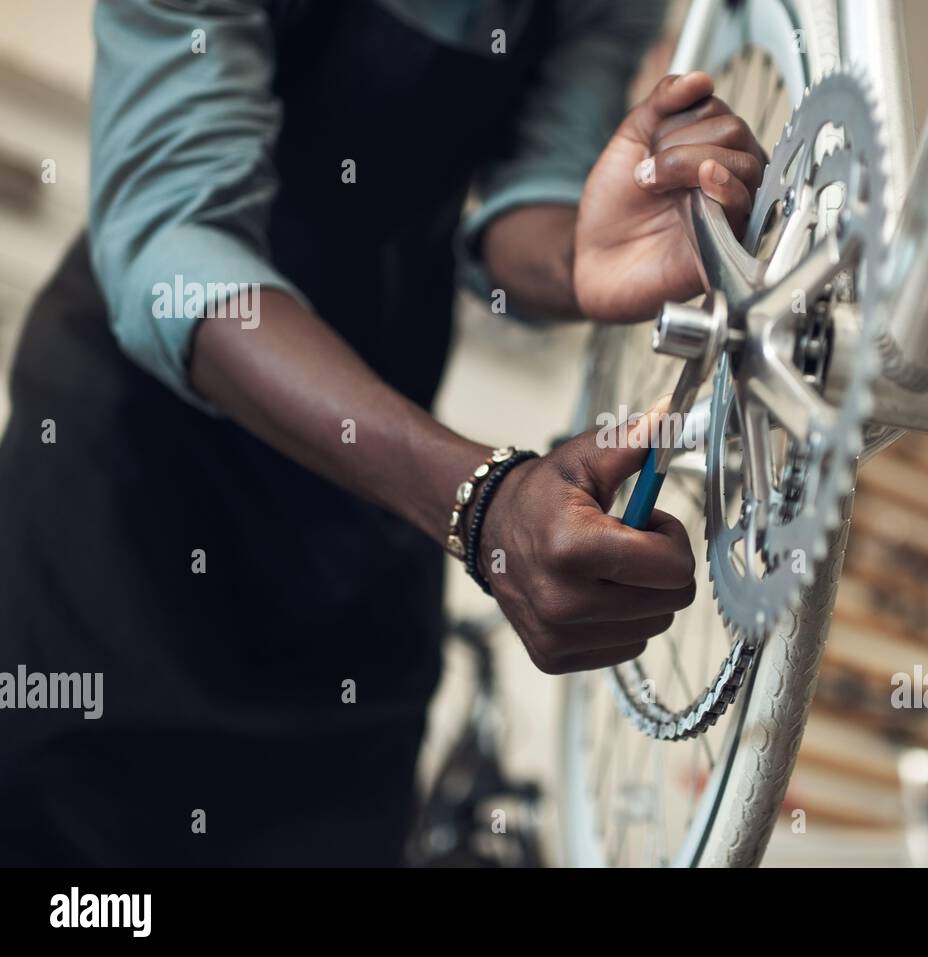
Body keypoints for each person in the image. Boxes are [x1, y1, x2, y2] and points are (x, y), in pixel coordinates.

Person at [0, 0, 765, 866]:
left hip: (357, 521)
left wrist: (580, 256)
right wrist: (482, 502)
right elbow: (176, 246)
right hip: (126, 500)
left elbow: (530, 192)